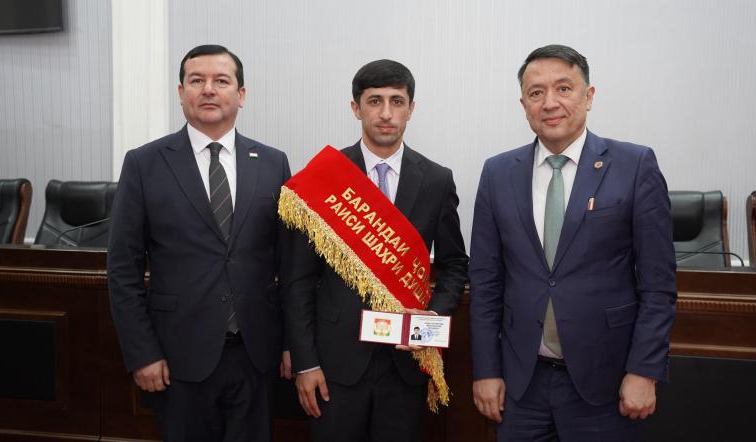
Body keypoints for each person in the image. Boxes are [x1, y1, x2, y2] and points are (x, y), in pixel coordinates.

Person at [469, 44, 676, 441]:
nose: (550, 103)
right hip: (521, 385)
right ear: (523, 104)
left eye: (564, 88)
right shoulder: (498, 173)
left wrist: (644, 370)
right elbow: (485, 282)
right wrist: (486, 370)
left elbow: (658, 285)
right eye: (536, 92)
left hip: (607, 383)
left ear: (589, 96)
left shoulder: (634, 165)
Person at [108, 44, 292, 442]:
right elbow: (123, 269)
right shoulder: (144, 163)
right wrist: (142, 353)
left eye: (221, 81)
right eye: (197, 80)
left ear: (241, 95)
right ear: (181, 92)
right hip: (178, 356)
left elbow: (289, 266)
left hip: (256, 355)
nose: (208, 89)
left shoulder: (273, 162)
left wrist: (292, 344)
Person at [284, 59, 469, 442]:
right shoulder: (324, 178)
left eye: (397, 101)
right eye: (374, 101)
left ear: (411, 108)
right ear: (356, 108)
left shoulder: (436, 180)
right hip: (335, 363)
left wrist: (433, 317)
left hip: (405, 362)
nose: (386, 113)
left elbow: (454, 265)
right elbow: (297, 280)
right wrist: (305, 363)